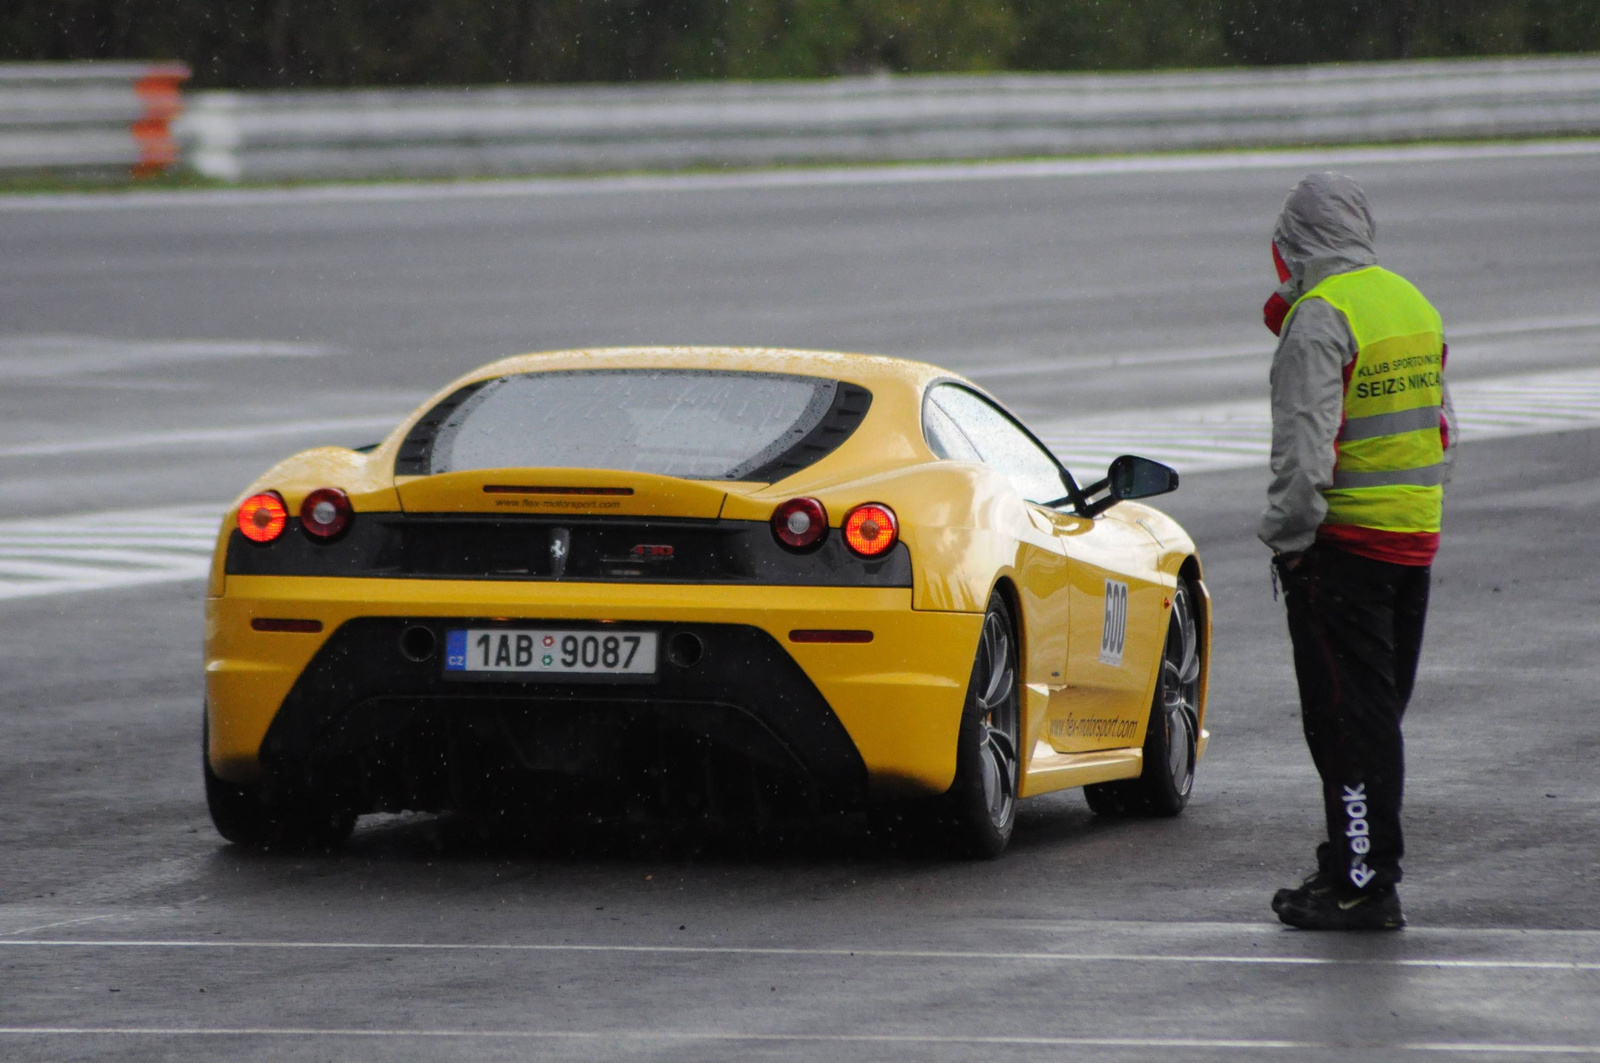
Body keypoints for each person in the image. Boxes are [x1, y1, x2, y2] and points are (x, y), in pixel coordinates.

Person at [1258, 172, 1456, 931]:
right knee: (1376, 714)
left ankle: (1364, 883)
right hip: (1412, 539)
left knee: (1345, 721)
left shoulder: (1319, 318)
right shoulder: (1411, 302)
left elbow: (1305, 459)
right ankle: (1350, 858)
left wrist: (1289, 539)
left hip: (1342, 547)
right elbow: (1443, 430)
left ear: (1295, 243)